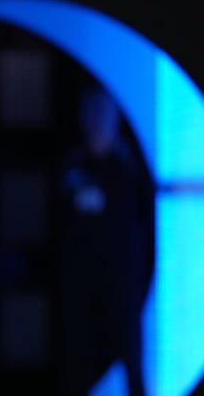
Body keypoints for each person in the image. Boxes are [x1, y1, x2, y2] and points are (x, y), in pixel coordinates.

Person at [56, 84, 154, 396]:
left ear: (114, 119)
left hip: (122, 289)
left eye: (103, 113)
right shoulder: (72, 168)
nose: (96, 120)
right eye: (91, 112)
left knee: (132, 366)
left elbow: (146, 230)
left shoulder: (130, 171)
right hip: (81, 292)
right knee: (76, 368)